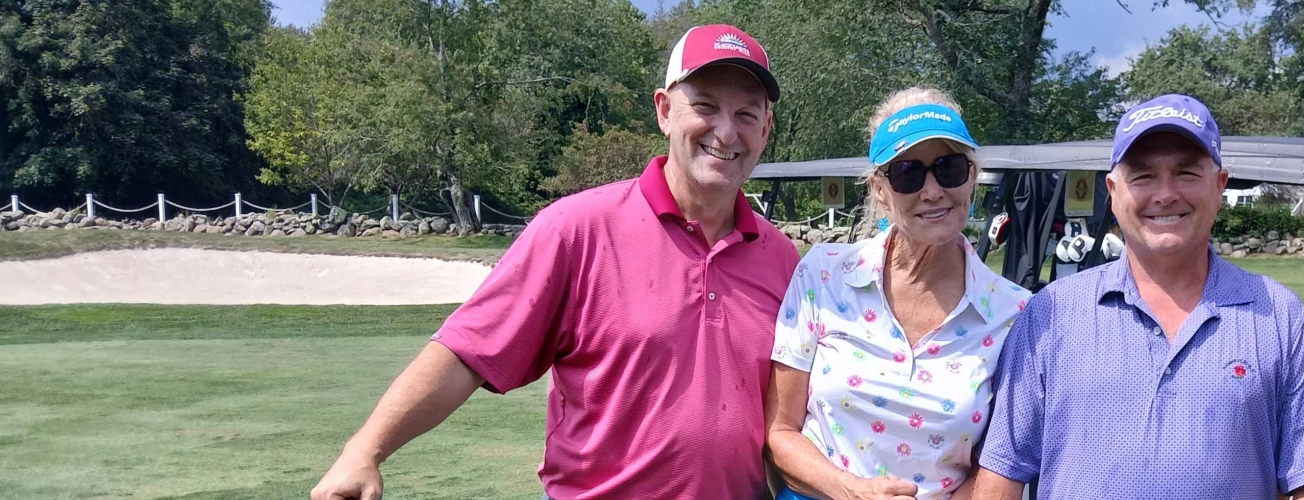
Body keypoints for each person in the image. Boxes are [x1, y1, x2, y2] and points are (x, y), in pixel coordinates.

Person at [309, 24, 797, 500]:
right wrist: (365, 451)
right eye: (705, 106)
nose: (726, 131)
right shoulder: (576, 229)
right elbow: (467, 353)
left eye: (746, 114)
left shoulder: (781, 259)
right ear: (665, 111)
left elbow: (789, 423)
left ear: (765, 129)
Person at [967, 94, 1304, 500]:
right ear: (1113, 192)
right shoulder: (1051, 314)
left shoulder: (1280, 316)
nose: (1166, 194)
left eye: (1186, 173)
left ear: (1219, 186)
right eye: (1143, 176)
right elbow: (1003, 471)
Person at [765, 88, 1033, 500]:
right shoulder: (824, 274)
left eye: (949, 168)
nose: (932, 190)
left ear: (971, 176)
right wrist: (854, 491)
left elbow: (999, 469)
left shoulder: (1014, 313)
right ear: (879, 189)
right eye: (908, 172)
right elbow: (780, 431)